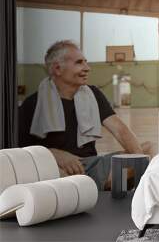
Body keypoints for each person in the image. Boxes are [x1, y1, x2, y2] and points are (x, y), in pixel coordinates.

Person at [18, 40, 151, 190]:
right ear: (57, 68)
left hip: (91, 165)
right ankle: (92, 188)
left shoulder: (93, 95)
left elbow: (120, 130)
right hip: (58, 170)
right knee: (53, 176)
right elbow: (22, 153)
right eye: (79, 63)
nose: (87, 68)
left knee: (147, 150)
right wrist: (55, 154)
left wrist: (139, 160)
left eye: (86, 62)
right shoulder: (32, 104)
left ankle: (89, 188)